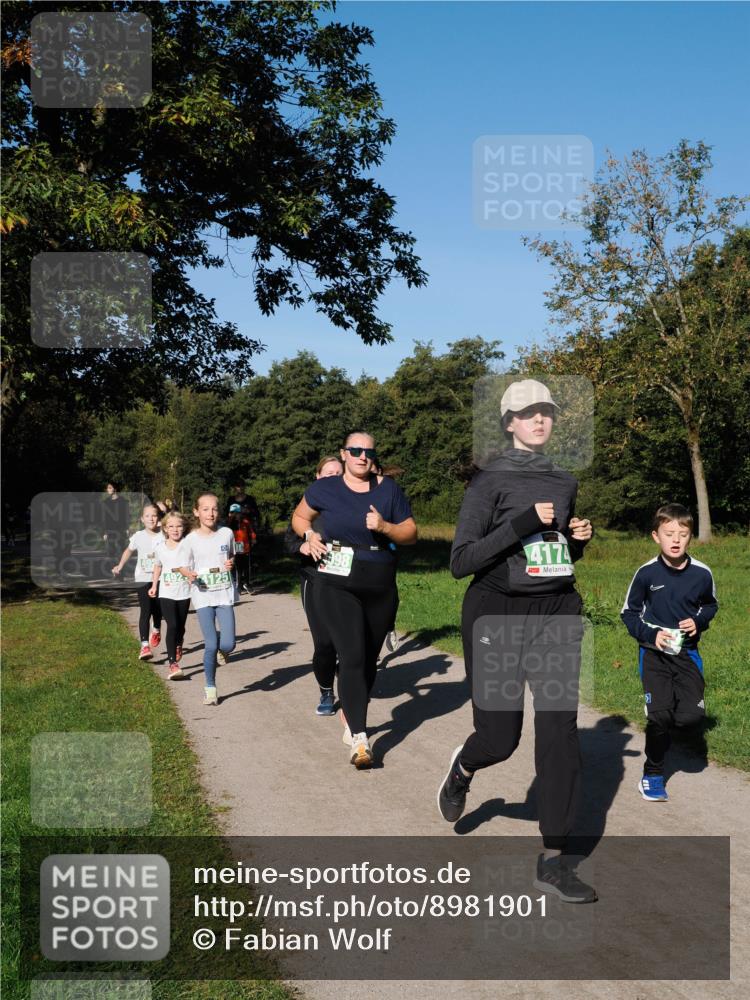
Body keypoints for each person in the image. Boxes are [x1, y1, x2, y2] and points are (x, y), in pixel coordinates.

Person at [437, 378, 597, 904]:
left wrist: (574, 543)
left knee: (559, 733)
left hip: (555, 612)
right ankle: (464, 767)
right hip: (496, 613)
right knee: (501, 738)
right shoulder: (488, 482)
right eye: (527, 412)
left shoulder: (563, 479)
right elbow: (461, 561)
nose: (539, 419)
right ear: (508, 422)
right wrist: (523, 524)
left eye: (546, 411)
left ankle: (554, 860)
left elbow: (552, 558)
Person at [292, 432, 417, 768]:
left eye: (368, 451)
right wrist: (309, 534)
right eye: (356, 450)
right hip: (335, 580)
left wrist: (386, 527)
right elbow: (300, 517)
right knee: (352, 653)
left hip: (380, 582)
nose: (363, 456)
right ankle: (360, 738)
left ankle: (352, 710)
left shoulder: (388, 489)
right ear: (344, 454)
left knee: (368, 661)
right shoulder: (324, 488)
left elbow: (410, 532)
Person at [620, 503, 718, 802]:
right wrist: (652, 634)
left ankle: (664, 715)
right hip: (654, 653)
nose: (676, 540)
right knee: (660, 717)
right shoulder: (646, 573)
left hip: (687, 654)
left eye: (683, 534)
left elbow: (710, 605)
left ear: (690, 538)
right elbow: (629, 613)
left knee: (689, 718)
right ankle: (652, 773)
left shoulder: (702, 573)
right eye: (669, 534)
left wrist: (698, 622)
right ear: (655, 536)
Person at [284, 455, 344, 716]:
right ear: (317, 477)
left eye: (337, 473)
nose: (332, 477)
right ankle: (327, 691)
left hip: (348, 583)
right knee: (325, 644)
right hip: (316, 581)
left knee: (350, 641)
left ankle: (350, 683)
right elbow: (288, 543)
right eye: (327, 473)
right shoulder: (307, 508)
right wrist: (304, 546)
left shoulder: (352, 505)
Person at [176, 493, 236, 706]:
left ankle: (223, 647)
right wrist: (189, 574)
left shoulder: (227, 533)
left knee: (229, 644)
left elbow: (230, 556)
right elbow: (181, 565)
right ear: (196, 512)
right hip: (202, 596)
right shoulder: (190, 539)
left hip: (224, 594)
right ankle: (210, 687)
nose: (211, 513)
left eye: (214, 509)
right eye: (205, 509)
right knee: (210, 644)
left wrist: (230, 563)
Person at [111, 503, 163, 659]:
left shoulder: (164, 535)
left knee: (158, 609)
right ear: (142, 519)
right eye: (147, 516)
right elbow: (129, 550)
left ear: (158, 518)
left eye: (154, 515)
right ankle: (144, 646)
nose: (151, 518)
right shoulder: (138, 536)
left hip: (160, 577)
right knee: (145, 611)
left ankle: (157, 629)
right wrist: (120, 565)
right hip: (142, 577)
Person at [149, 511, 192, 680]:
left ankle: (179, 642)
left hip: (184, 592)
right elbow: (157, 567)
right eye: (171, 526)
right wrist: (154, 586)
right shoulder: (160, 547)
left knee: (180, 627)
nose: (175, 529)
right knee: (172, 625)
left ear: (184, 528)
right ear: (165, 528)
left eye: (179, 526)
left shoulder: (188, 545)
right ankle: (173, 664)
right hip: (166, 592)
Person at [228, 502, 255, 595]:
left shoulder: (245, 522)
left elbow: (251, 532)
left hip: (246, 546)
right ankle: (239, 586)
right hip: (236, 546)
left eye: (237, 512)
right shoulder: (230, 523)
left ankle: (247, 584)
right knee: (238, 568)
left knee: (247, 567)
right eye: (233, 512)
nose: (235, 514)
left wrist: (254, 539)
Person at [101, 482, 131, 562]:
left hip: (121, 529)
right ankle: (112, 569)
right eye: (107, 488)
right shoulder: (105, 502)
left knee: (121, 549)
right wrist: (104, 532)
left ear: (115, 488)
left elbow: (127, 515)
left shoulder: (123, 501)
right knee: (110, 550)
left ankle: (121, 568)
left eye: (110, 487)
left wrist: (127, 528)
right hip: (109, 529)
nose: (108, 489)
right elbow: (104, 518)